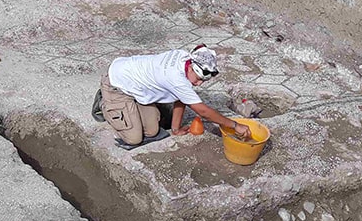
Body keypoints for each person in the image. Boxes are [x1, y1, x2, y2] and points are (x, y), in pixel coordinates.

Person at [97, 44, 251, 148]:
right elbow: (203, 112)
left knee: (151, 132)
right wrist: (235, 125)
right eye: (198, 79)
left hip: (137, 87)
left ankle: (130, 108)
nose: (198, 84)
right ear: (191, 68)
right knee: (134, 139)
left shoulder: (185, 58)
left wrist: (175, 129)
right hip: (117, 84)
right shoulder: (175, 77)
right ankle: (106, 104)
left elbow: (181, 98)